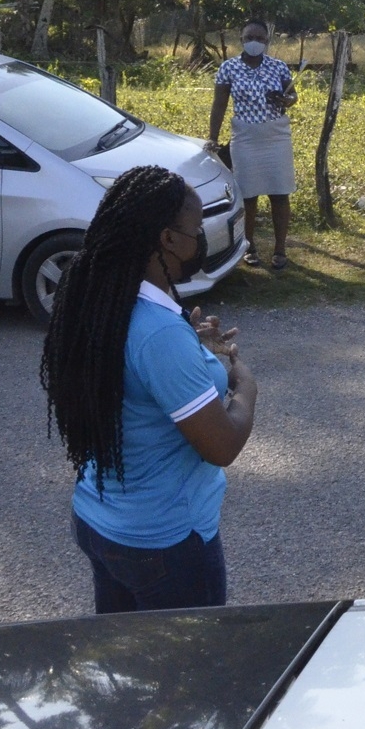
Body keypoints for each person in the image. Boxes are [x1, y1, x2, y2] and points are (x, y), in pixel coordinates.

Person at [42, 165, 258, 613]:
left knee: (127, 670)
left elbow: (131, 371)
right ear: (167, 239)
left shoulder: (100, 303)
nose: (200, 238)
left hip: (100, 523)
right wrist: (245, 387)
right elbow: (220, 446)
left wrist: (192, 350)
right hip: (163, 544)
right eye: (196, 229)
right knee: (187, 675)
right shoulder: (159, 334)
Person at [208, 21, 297, 270]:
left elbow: (293, 95)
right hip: (245, 138)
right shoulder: (229, 68)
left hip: (275, 136)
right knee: (248, 195)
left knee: (280, 193)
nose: (255, 41)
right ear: (242, 38)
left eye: (260, 37)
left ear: (267, 41)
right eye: (250, 36)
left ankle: (280, 249)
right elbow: (219, 104)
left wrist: (286, 99)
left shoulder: (278, 66)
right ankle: (249, 246)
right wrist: (213, 137)